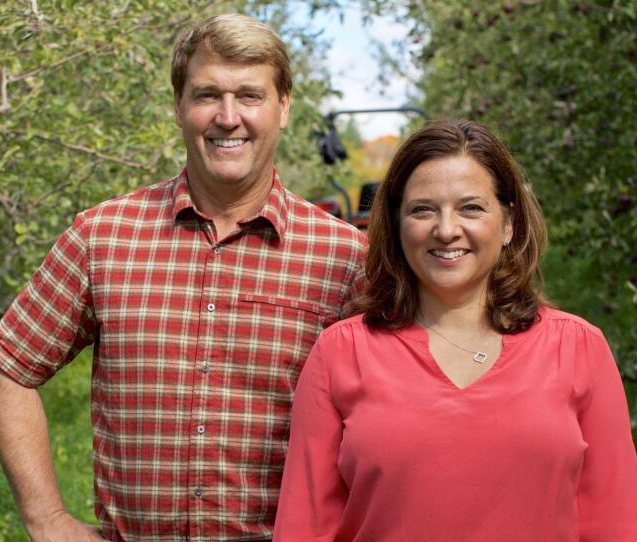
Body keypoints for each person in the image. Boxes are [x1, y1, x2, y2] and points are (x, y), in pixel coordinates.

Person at [0, 13, 367, 542]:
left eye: (249, 96)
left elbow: (398, 418)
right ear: (179, 107)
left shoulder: (345, 258)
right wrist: (46, 519)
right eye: (207, 95)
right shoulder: (103, 236)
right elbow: (8, 368)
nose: (228, 117)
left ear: (283, 108)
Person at [273, 120, 637, 541]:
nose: (446, 230)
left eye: (471, 208)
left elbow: (614, 524)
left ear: (508, 224)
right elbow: (305, 528)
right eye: (422, 210)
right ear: (396, 225)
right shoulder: (341, 353)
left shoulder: (578, 349)